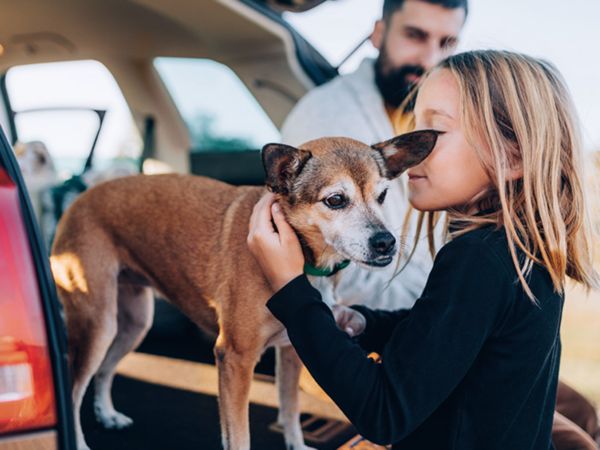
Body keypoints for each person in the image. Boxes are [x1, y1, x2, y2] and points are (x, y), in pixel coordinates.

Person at [248, 50, 600, 449]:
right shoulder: (516, 253)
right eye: (413, 125)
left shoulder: (479, 259)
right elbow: (445, 338)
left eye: (435, 130)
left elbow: (383, 414)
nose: (412, 146)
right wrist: (368, 324)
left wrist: (291, 290)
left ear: (511, 155)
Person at [281, 0, 467, 310]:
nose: (430, 59)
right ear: (379, 34)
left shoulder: (434, 121)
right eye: (415, 35)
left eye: (446, 43)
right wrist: (445, 309)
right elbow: (342, 280)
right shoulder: (329, 119)